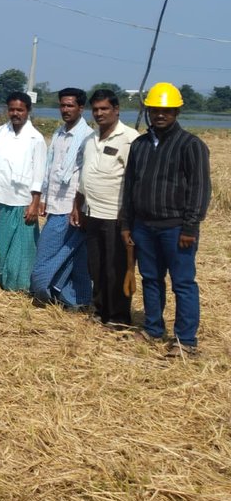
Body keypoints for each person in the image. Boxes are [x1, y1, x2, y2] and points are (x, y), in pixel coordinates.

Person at [119, 82, 211, 357]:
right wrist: (127, 224)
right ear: (148, 111)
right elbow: (130, 186)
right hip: (144, 227)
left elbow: (200, 189)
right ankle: (153, 329)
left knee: (182, 283)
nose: (160, 115)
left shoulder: (191, 145)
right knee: (150, 278)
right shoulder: (140, 145)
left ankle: (185, 341)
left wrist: (190, 227)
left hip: (176, 228)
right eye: (155, 110)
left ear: (177, 111)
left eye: (167, 111)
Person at [30, 88, 95, 308]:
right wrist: (43, 198)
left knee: (55, 253)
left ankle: (43, 288)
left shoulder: (87, 137)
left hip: (73, 208)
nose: (65, 110)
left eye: (70, 105)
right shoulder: (58, 134)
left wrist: (79, 206)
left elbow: (86, 175)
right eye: (62, 105)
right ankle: (71, 298)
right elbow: (50, 170)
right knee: (74, 257)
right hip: (55, 204)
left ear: (80, 108)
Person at [75, 89, 135, 328]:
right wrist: (78, 206)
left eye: (104, 109)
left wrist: (128, 217)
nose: (99, 114)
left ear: (116, 110)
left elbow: (133, 181)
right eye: (96, 109)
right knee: (96, 267)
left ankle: (119, 317)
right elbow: (83, 176)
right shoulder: (90, 139)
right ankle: (100, 311)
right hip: (92, 213)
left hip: (116, 216)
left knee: (116, 268)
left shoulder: (129, 138)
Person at [0, 92, 46, 292]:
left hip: (23, 199)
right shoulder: (0, 133)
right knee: (1, 239)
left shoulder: (36, 138)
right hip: (1, 195)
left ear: (28, 111)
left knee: (22, 244)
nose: (15, 113)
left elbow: (39, 174)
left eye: (20, 109)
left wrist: (35, 203)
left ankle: (18, 283)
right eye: (12, 109)